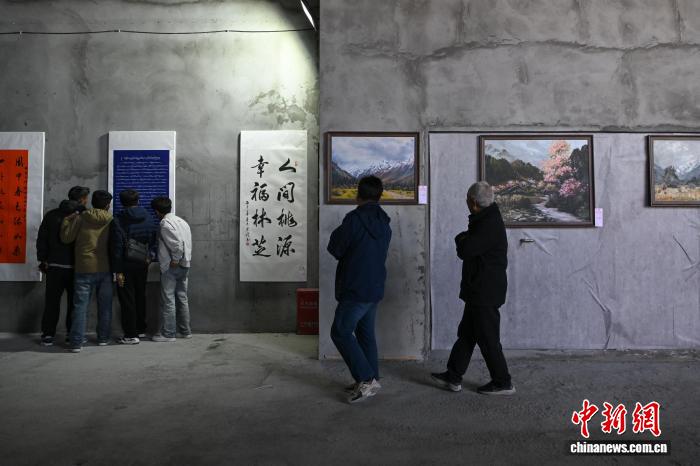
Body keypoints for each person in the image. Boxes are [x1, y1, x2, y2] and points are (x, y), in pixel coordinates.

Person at [431, 181, 515, 395]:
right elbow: (470, 246)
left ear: (474, 202)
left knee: (488, 339)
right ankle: (453, 376)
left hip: (485, 291)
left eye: (467, 200)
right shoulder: (486, 218)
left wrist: (460, 237)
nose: (466, 203)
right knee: (467, 333)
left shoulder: (488, 223)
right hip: (479, 288)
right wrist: (465, 239)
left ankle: (503, 382)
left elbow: (466, 249)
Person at [327, 176, 392, 403]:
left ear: (358, 195)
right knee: (365, 334)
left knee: (340, 332)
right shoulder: (384, 221)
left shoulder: (354, 220)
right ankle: (371, 377)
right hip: (375, 286)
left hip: (355, 287)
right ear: (379, 195)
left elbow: (335, 248)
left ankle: (366, 379)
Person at [60, 190, 115, 353]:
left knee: (80, 306)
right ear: (108, 205)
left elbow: (66, 238)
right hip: (105, 267)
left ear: (92, 202)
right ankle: (103, 338)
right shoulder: (111, 219)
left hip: (83, 267)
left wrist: (66, 220)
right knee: (105, 306)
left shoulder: (81, 218)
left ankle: (76, 343)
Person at [36, 186, 90, 346]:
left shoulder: (51, 215)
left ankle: (47, 335)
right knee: (75, 303)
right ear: (82, 199)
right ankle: (71, 334)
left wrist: (42, 259)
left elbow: (42, 238)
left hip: (54, 265)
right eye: (86, 198)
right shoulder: (84, 216)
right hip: (76, 267)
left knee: (52, 302)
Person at [112, 189, 158, 345]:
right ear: (138, 201)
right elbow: (154, 240)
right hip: (142, 263)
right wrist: (150, 256)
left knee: (127, 299)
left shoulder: (118, 220)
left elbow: (117, 247)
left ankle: (131, 335)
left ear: (121, 202)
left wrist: (117, 270)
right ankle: (140, 329)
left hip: (125, 265)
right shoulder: (149, 218)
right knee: (140, 295)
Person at [150, 196, 192, 342]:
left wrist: (175, 259)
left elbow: (177, 245)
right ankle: (185, 331)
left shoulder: (165, 224)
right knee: (182, 298)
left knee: (168, 300)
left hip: (171, 266)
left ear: (157, 211)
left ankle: (168, 334)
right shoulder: (182, 221)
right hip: (185, 265)